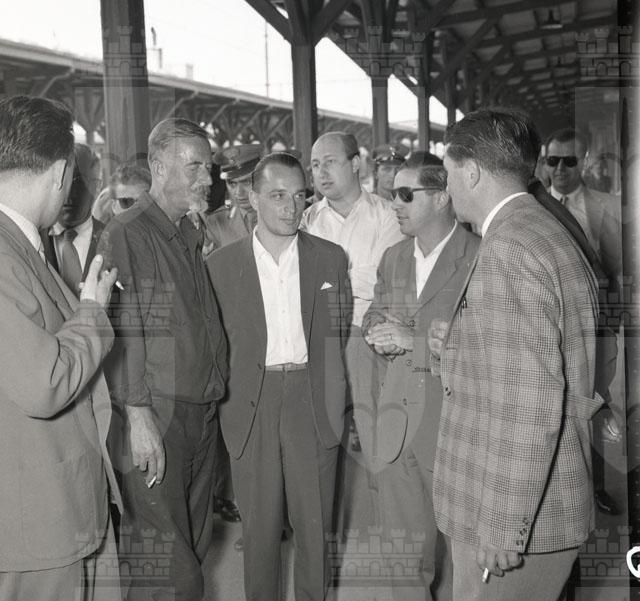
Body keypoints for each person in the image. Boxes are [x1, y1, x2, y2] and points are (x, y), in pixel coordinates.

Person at [429, 108, 602, 601]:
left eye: (448, 173)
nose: (447, 188)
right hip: (534, 496)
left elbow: (531, 402)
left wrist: (505, 526)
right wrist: (460, 346)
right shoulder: (540, 228)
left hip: (511, 509)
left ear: (471, 172)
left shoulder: (510, 248)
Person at [207, 152, 351, 601]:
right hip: (252, 402)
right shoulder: (220, 267)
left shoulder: (330, 258)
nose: (291, 208)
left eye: (299, 195)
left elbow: (338, 331)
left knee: (316, 530)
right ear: (252, 198)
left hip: (312, 399)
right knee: (260, 534)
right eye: (277, 196)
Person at [99, 118, 228, 601]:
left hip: (201, 409)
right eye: (194, 166)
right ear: (157, 167)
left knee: (192, 543)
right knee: (170, 562)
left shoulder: (188, 229)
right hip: (159, 412)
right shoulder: (127, 232)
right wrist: (138, 416)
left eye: (208, 167)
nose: (207, 178)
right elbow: (119, 330)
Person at [0, 95, 121, 600]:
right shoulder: (7, 253)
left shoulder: (21, 243)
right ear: (59, 172)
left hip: (51, 502)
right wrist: (91, 309)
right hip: (36, 521)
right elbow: (43, 384)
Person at [362, 159, 479, 601]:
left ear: (443, 197)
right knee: (404, 560)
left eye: (406, 195)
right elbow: (374, 312)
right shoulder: (394, 257)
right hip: (396, 426)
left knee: (467, 562)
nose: (395, 203)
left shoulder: (480, 256)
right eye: (393, 194)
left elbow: (484, 348)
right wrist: (378, 329)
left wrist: (410, 341)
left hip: (453, 428)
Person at [301, 131, 404, 474]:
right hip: (318, 342)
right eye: (316, 165)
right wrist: (351, 278)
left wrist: (328, 280)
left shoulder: (387, 214)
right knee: (327, 442)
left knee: (372, 439)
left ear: (356, 163)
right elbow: (305, 283)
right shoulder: (307, 220)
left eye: (330, 162)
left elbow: (381, 279)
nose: (321, 173)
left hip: (366, 339)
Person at [544, 127, 623, 515]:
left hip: (594, 329)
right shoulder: (532, 207)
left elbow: (619, 268)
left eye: (569, 161)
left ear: (585, 162)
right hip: (547, 326)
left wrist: (611, 326)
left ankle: (596, 488)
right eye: (552, 161)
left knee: (594, 406)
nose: (559, 169)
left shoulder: (607, 207)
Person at [41, 143, 105, 295]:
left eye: (78, 182)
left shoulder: (116, 240)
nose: (68, 192)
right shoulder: (30, 240)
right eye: (62, 182)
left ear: (97, 186)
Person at [202, 144, 262, 252]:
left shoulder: (282, 213)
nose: (239, 193)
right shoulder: (217, 222)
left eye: (247, 182)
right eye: (232, 184)